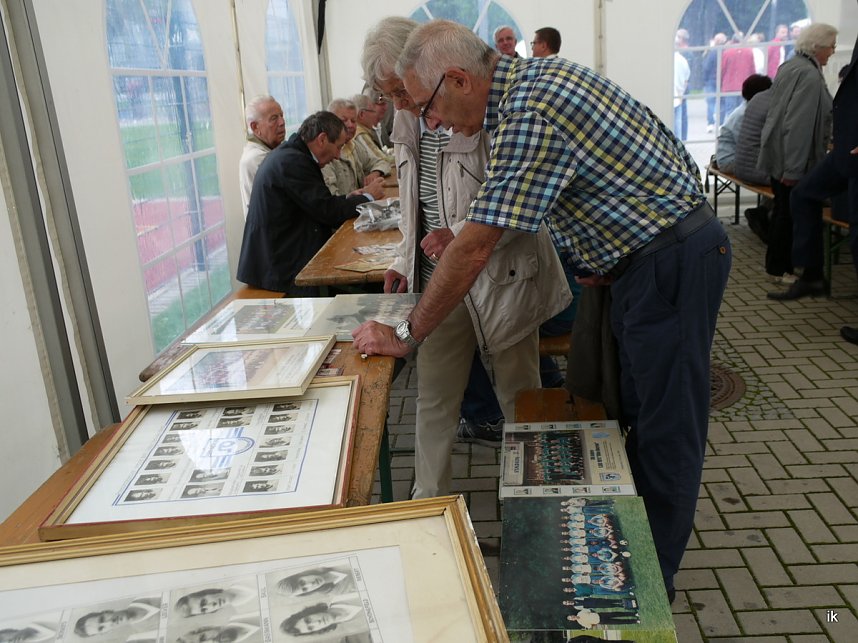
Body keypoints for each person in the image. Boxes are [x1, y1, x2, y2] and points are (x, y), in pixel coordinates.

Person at [353, 19, 731, 602]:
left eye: (429, 106)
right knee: (630, 409)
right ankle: (629, 558)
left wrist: (405, 332)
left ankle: (647, 588)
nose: (434, 123)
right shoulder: (534, 85)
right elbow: (662, 150)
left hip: (669, 260)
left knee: (667, 427)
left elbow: (476, 244)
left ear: (458, 79)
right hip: (646, 259)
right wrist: (609, 245)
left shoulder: (529, 112)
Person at [360, 17, 570, 494]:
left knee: (520, 398)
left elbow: (519, 210)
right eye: (390, 96)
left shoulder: (490, 109)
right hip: (440, 282)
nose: (401, 106)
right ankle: (426, 506)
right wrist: (401, 256)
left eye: (402, 92)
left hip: (505, 279)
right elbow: (415, 202)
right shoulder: (407, 118)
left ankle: (533, 500)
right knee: (434, 398)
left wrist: (456, 233)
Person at [237, 111, 380, 295]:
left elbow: (317, 203)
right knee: (368, 287)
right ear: (322, 139)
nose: (337, 156)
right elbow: (328, 213)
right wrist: (369, 198)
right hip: (278, 268)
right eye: (338, 146)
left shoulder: (295, 154)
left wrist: (349, 198)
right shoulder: (293, 161)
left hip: (284, 255)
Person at [786, 31, 858, 342]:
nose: (834, 49)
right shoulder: (800, 70)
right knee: (803, 194)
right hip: (846, 149)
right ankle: (812, 272)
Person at [761, 23, 837, 296]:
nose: (834, 51)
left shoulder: (790, 66)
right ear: (817, 47)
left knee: (783, 211)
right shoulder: (809, 76)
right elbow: (799, 124)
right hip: (793, 160)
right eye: (831, 45)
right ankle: (786, 271)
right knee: (790, 214)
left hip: (778, 155)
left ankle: (779, 268)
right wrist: (793, 168)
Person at [321, 98, 389, 197]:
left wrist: (376, 172)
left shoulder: (353, 145)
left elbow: (382, 161)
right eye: (344, 120)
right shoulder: (325, 154)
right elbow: (333, 201)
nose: (350, 125)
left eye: (353, 121)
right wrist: (367, 195)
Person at [238, 95, 286, 218]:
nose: (282, 122)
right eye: (274, 118)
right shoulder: (255, 158)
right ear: (255, 127)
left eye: (282, 116)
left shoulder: (273, 149)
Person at [714, 74, 772, 174]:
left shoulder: (747, 108)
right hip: (729, 162)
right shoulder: (744, 114)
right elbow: (747, 145)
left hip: (732, 157)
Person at [74, 599, 160, 637]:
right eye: (101, 628)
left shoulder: (141, 597)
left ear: (106, 611)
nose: (110, 622)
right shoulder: (146, 632)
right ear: (105, 632)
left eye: (102, 619)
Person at [279, 600, 363, 636]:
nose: (317, 623)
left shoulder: (342, 595)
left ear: (309, 612)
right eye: (311, 628)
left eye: (308, 620)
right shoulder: (354, 629)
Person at [720, 33, 756, 119]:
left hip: (729, 86)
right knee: (743, 111)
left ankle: (730, 130)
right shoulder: (749, 51)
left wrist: (721, 82)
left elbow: (722, 70)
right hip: (745, 86)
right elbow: (752, 70)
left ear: (732, 40)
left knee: (730, 111)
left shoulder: (727, 52)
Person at [352, 93, 393, 165]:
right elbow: (382, 160)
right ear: (361, 114)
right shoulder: (360, 134)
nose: (376, 115)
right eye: (373, 111)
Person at [174, 586, 254, 617]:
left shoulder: (238, 581)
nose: (212, 605)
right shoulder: (243, 613)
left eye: (204, 602)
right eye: (204, 610)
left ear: (206, 592)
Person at [703, 33, 728, 131]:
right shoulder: (725, 52)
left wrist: (705, 79)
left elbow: (706, 67)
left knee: (710, 102)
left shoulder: (712, 52)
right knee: (722, 102)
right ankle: (720, 123)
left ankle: (711, 123)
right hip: (721, 80)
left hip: (711, 80)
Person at [276, 566, 356, 597]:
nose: (311, 584)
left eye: (302, 582)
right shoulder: (336, 593)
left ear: (301, 575)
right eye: (305, 589)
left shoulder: (329, 564)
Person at [673, 29, 690, 140]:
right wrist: (681, 91)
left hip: (672, 96)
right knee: (677, 124)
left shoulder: (667, 59)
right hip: (678, 96)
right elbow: (686, 79)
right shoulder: (682, 60)